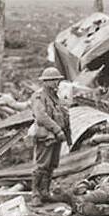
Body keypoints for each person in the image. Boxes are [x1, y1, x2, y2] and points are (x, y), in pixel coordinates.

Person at [26, 67, 71, 207]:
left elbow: (63, 115)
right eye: (54, 80)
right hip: (46, 136)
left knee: (51, 165)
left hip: (56, 137)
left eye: (58, 80)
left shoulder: (55, 97)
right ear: (46, 82)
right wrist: (57, 130)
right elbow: (41, 116)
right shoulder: (39, 96)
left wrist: (66, 134)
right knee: (41, 166)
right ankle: (35, 195)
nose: (57, 83)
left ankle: (45, 193)